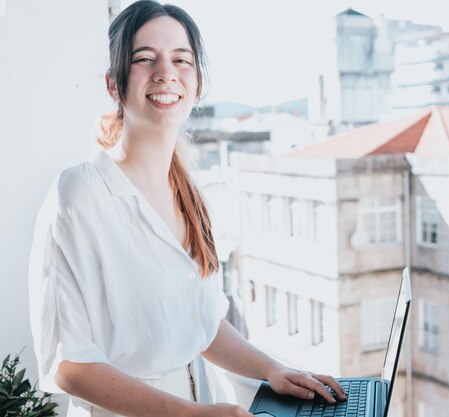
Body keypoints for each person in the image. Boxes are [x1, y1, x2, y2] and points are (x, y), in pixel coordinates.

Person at [28, 2, 345, 417]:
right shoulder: (81, 193)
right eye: (145, 59)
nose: (166, 72)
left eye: (182, 59)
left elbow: (203, 328)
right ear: (113, 83)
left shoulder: (190, 195)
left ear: (197, 86)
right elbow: (68, 366)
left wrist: (273, 369)